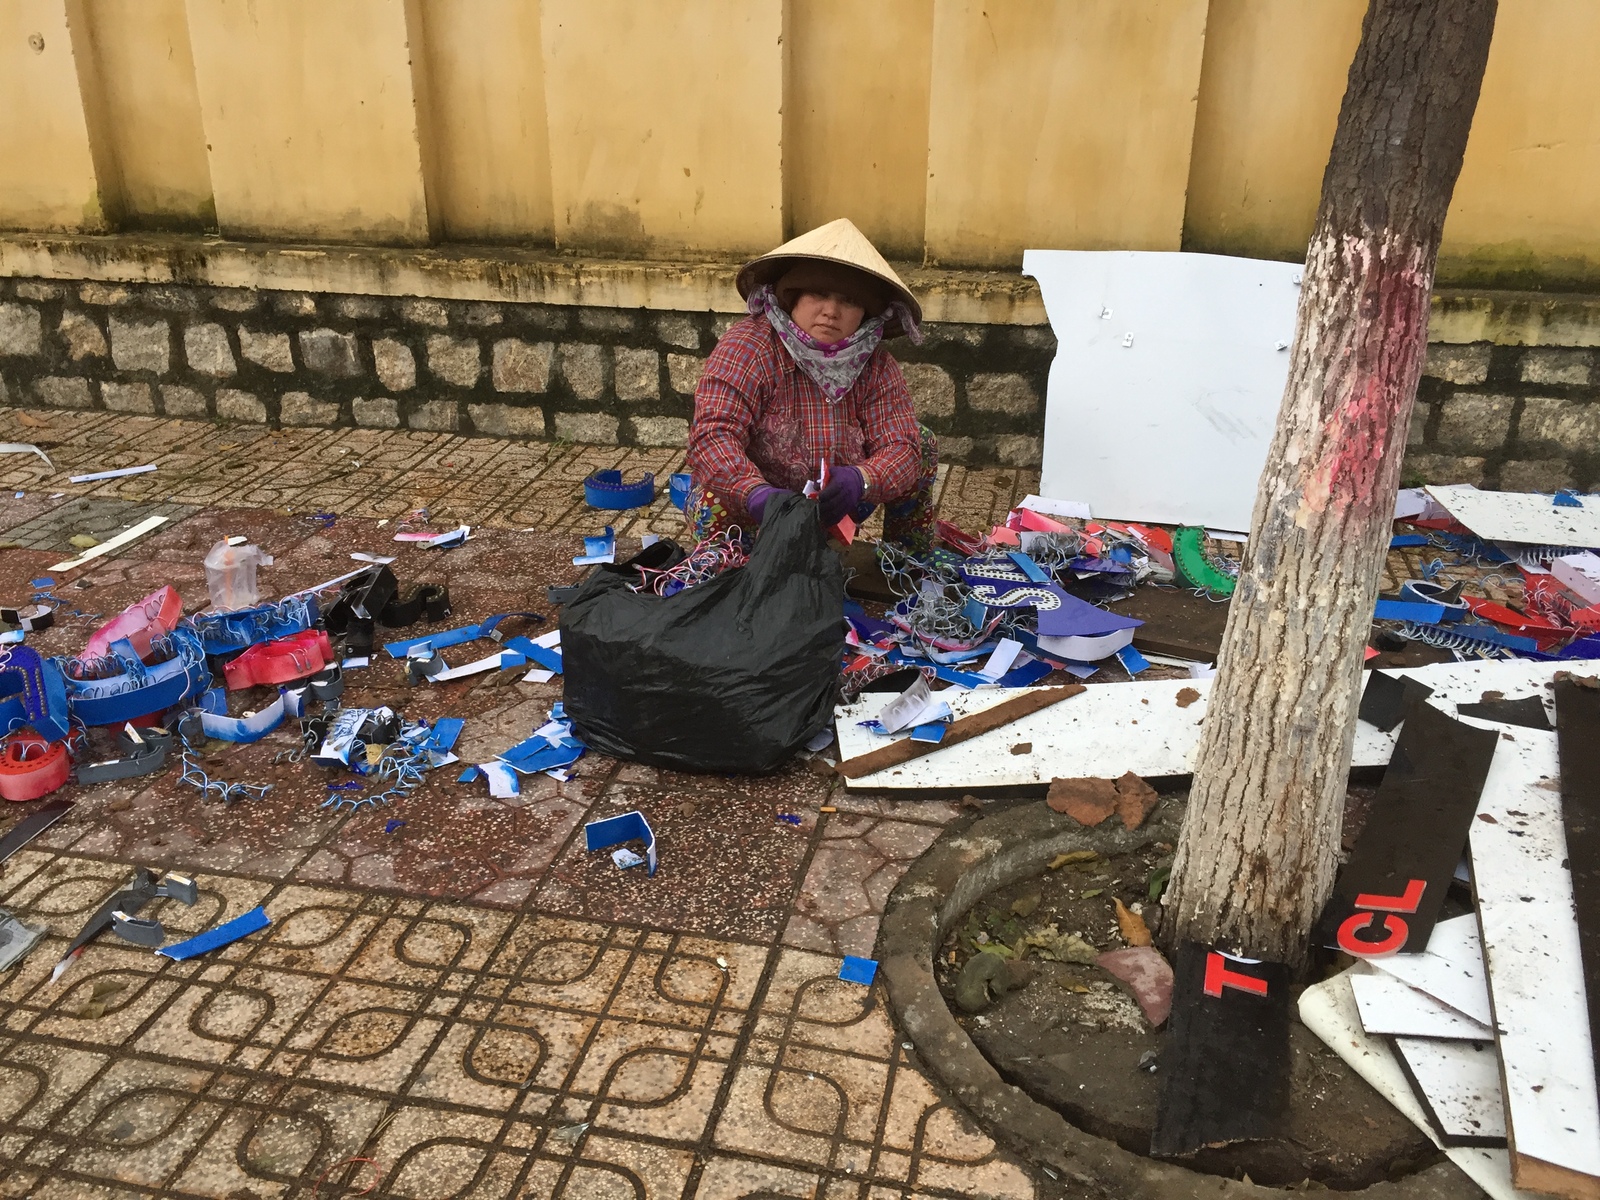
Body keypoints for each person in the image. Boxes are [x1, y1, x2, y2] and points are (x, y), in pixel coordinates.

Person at [685, 218, 938, 558]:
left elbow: (902, 448)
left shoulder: (875, 365)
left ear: (865, 313)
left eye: (848, 301)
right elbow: (713, 436)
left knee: (921, 442)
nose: (831, 312)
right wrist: (757, 495)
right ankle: (736, 564)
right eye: (818, 294)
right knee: (712, 500)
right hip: (756, 510)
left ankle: (905, 562)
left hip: (837, 506)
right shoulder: (747, 348)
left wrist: (859, 479)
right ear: (793, 297)